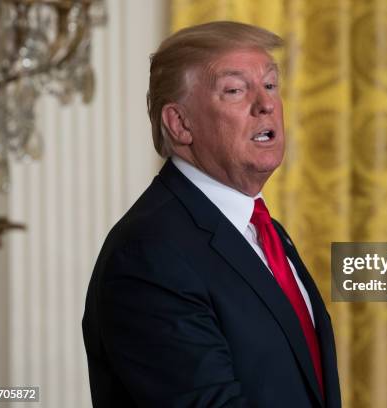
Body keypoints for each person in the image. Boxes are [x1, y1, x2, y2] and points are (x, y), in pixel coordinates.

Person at [82, 21, 341, 408]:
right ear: (180, 123)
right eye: (236, 90)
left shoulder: (263, 232)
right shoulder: (150, 253)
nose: (266, 104)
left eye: (270, 85)